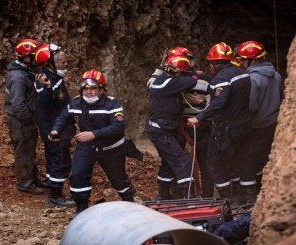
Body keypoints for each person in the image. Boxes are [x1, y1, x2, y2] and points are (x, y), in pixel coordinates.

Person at [49, 69, 136, 219]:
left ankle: (130, 204)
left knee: (118, 179)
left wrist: (94, 134)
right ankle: (81, 208)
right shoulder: (76, 103)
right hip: (87, 147)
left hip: (111, 148)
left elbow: (118, 126)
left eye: (93, 88)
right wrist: (55, 130)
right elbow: (63, 117)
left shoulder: (112, 104)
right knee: (78, 174)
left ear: (101, 89)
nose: (88, 92)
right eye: (86, 89)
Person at [187, 42, 256, 206]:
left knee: (215, 162)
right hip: (245, 125)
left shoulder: (221, 78)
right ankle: (248, 200)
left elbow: (220, 102)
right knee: (240, 160)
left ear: (213, 64)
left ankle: (229, 200)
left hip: (227, 128)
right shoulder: (242, 72)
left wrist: (199, 117)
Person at [146, 55, 208, 200]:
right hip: (162, 131)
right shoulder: (169, 83)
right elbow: (191, 82)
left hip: (162, 129)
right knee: (183, 162)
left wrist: (160, 67)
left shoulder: (159, 80)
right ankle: (190, 198)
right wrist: (194, 73)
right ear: (179, 72)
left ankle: (163, 195)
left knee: (168, 162)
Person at [237, 41, 284, 194]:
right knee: (263, 158)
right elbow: (282, 99)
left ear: (253, 60)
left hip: (256, 125)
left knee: (246, 159)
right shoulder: (276, 75)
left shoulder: (252, 79)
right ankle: (261, 191)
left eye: (244, 60)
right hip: (272, 124)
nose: (242, 63)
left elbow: (251, 107)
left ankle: (249, 199)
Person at [34, 43, 76, 207]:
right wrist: (48, 88)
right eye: (61, 63)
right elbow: (44, 103)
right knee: (57, 161)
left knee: (61, 160)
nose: (65, 65)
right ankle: (54, 196)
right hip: (53, 130)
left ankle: (56, 191)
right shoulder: (43, 80)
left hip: (60, 127)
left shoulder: (55, 77)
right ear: (49, 63)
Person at [3, 38, 45, 195]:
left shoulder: (23, 72)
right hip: (21, 120)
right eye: (33, 55)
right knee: (24, 151)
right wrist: (28, 122)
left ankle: (32, 178)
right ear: (24, 57)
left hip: (23, 119)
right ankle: (25, 184)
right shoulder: (19, 77)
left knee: (28, 150)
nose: (36, 58)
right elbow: (18, 104)